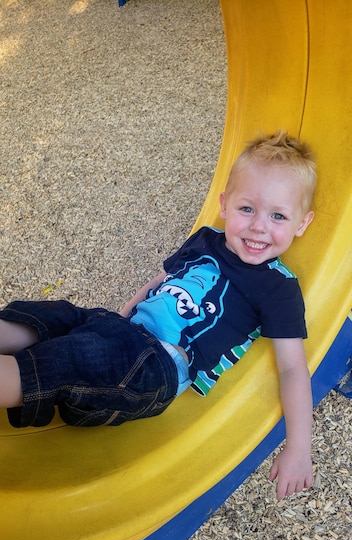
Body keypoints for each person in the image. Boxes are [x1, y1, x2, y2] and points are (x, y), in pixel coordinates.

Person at [0, 130, 316, 499]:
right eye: (247, 209)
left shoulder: (277, 286)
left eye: (278, 216)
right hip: (120, 329)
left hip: (157, 367)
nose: (259, 226)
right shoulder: (206, 239)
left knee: (71, 361)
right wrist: (118, 317)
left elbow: (293, 368)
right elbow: (161, 280)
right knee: (56, 316)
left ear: (302, 224)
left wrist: (299, 447)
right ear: (225, 205)